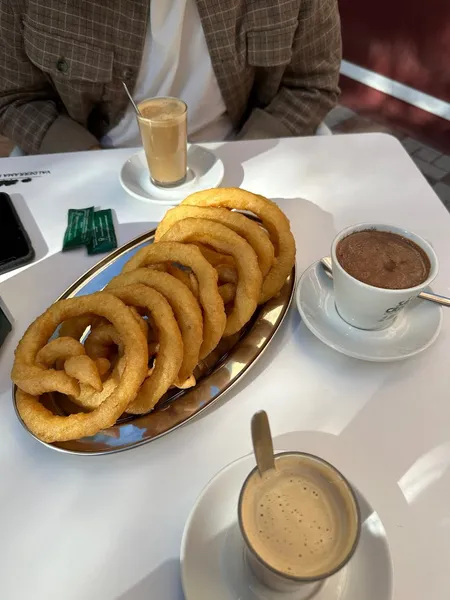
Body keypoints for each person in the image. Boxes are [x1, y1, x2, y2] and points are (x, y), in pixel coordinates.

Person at [0, 0, 341, 155]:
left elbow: (311, 83)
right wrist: (92, 163)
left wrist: (244, 157)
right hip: (89, 164)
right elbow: (14, 97)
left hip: (244, 153)